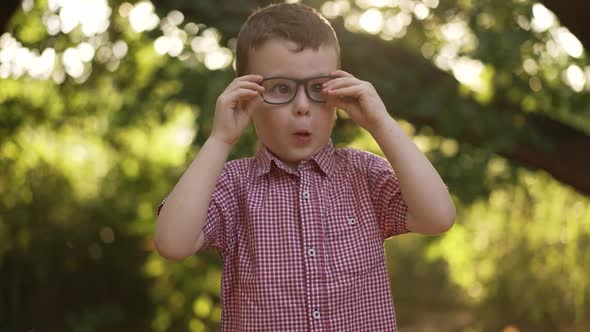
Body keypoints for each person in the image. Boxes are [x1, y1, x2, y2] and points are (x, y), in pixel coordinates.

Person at [154, 2, 455, 331]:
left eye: (317, 89)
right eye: (282, 88)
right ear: (245, 95)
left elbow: (438, 217)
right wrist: (219, 140)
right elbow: (172, 243)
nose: (302, 107)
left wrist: (381, 123)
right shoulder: (234, 186)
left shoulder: (363, 174)